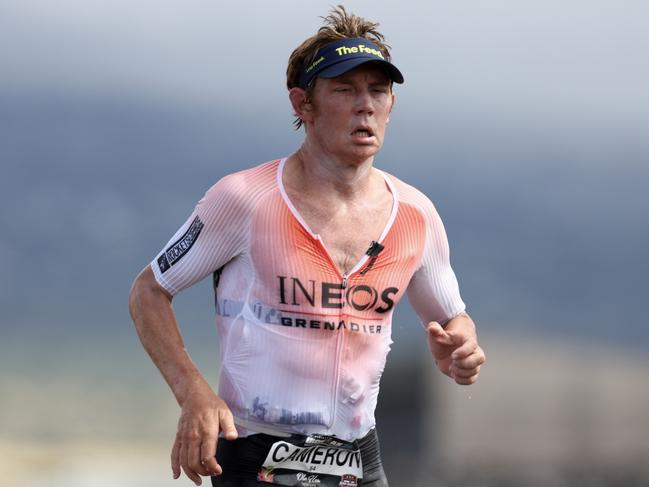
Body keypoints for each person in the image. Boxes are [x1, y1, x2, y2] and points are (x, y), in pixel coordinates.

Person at [129, 6, 485, 487]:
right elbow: (149, 292)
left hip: (360, 461)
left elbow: (451, 318)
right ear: (303, 105)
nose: (365, 106)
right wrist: (193, 392)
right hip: (257, 458)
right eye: (344, 90)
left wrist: (461, 347)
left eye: (377, 91)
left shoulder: (416, 215)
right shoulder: (245, 199)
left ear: (392, 105)